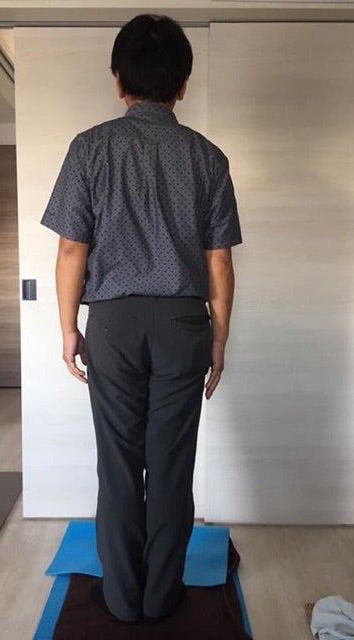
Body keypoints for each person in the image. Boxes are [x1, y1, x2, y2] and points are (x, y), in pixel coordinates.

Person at [41, 14, 242, 624]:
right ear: (182, 85)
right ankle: (162, 595)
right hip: (185, 325)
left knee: (119, 464)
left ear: (118, 80)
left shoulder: (89, 147)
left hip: (114, 325)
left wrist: (69, 328)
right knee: (173, 465)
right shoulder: (208, 157)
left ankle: (124, 598)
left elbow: (71, 249)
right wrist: (219, 339)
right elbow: (219, 261)